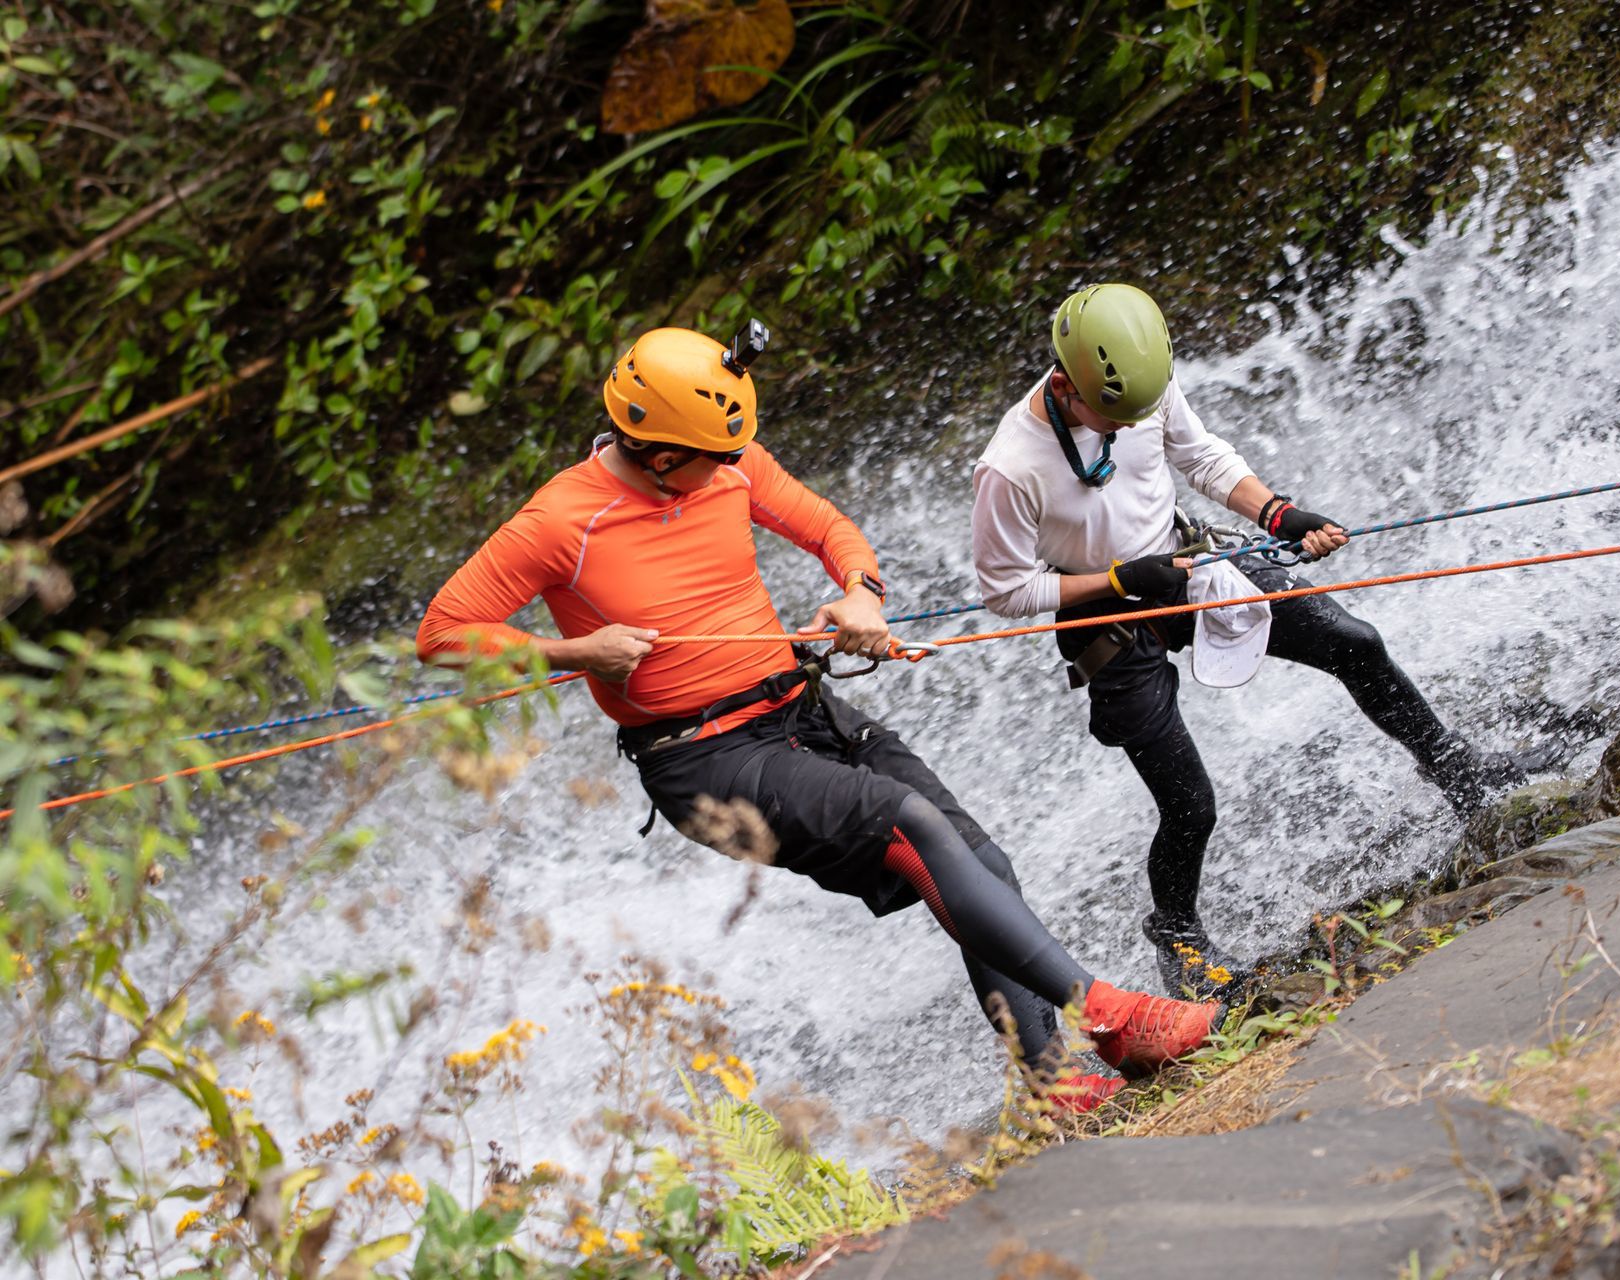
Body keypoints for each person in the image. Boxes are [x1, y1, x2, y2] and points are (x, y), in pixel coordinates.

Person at [417, 320, 1219, 1109]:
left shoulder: (728, 467)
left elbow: (829, 528)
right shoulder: (561, 521)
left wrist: (861, 592)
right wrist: (578, 653)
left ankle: (1056, 1088)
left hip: (800, 710)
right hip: (706, 760)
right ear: (662, 457)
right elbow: (442, 637)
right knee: (907, 822)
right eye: (717, 458)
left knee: (983, 862)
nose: (737, 468)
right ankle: (1109, 1016)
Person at [970, 284, 1547, 995]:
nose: (1126, 427)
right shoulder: (1011, 466)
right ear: (1065, 383)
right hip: (1108, 619)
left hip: (1183, 565)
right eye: (1111, 418)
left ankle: (1458, 769)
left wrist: (1279, 513)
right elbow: (1006, 590)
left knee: (1354, 643)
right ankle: (1178, 937)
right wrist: (1119, 578)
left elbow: (1201, 457)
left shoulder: (1140, 380)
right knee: (1191, 805)